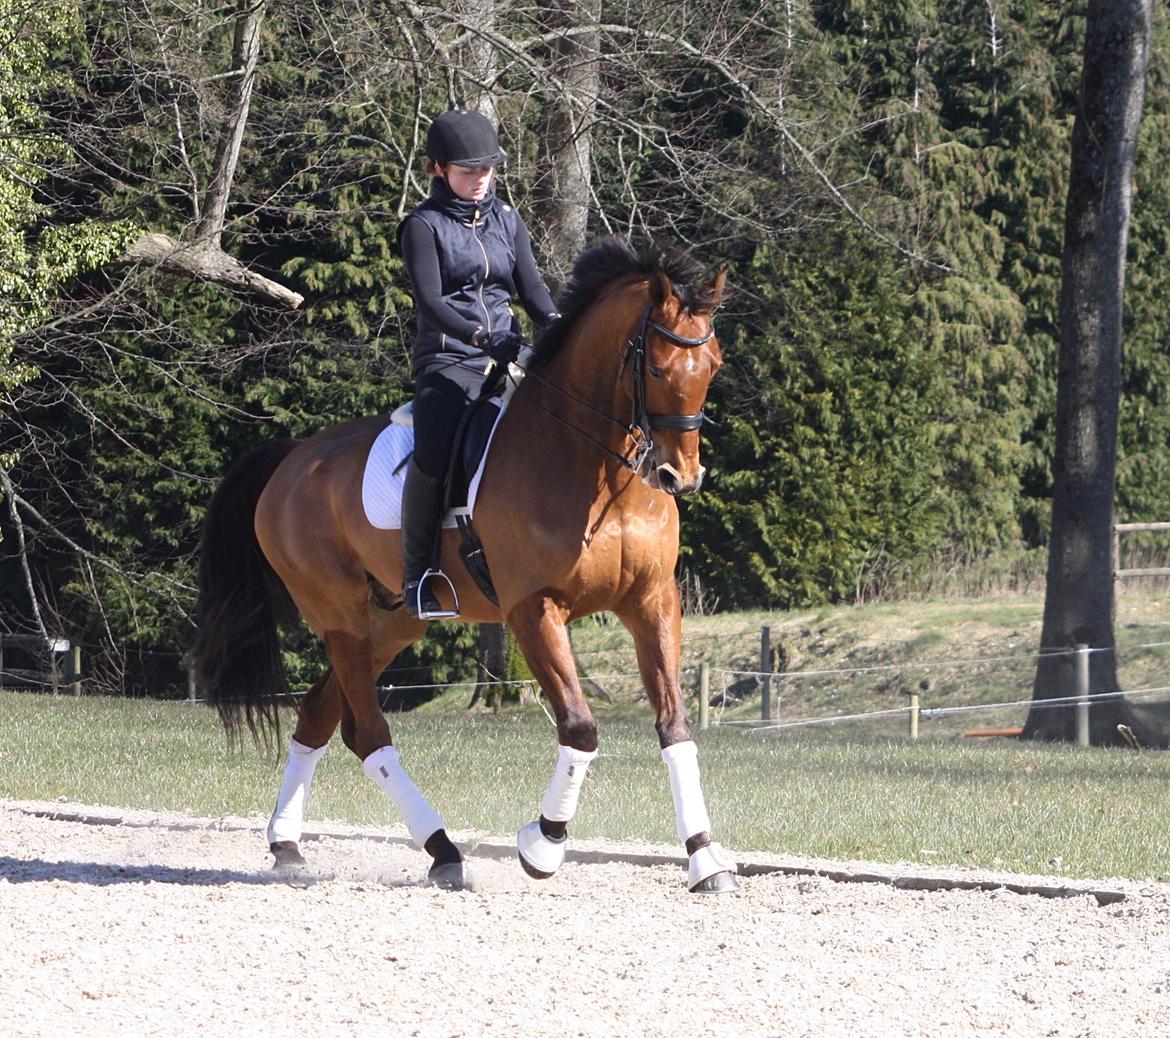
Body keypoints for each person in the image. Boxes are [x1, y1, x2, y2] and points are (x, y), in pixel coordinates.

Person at [396, 108, 560, 619]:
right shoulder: (422, 226)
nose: (481, 180)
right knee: (435, 448)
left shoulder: (507, 218)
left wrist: (558, 326)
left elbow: (531, 288)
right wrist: (480, 337)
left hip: (510, 352)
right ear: (438, 169)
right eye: (469, 172)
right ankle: (418, 574)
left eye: (487, 170)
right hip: (450, 358)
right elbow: (431, 302)